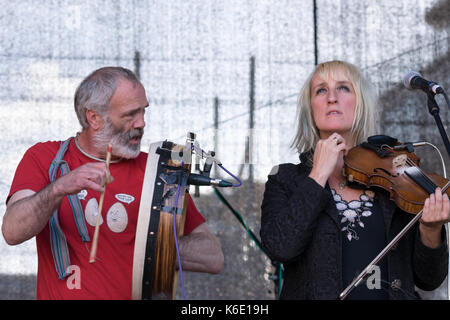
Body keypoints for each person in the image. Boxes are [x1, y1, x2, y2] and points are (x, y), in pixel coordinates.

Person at [2, 66, 224, 299]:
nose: (141, 123)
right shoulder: (45, 158)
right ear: (94, 118)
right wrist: (59, 188)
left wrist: (147, 241)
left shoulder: (160, 172)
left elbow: (212, 257)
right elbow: (12, 232)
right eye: (130, 115)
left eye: (143, 112)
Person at [260, 60, 449, 300]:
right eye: (321, 90)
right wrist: (317, 174)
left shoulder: (396, 177)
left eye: (343, 88)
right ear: (311, 108)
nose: (331, 98)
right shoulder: (286, 179)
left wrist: (431, 229)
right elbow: (280, 247)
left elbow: (429, 279)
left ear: (359, 103)